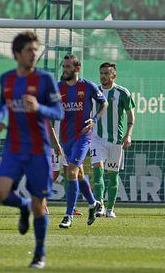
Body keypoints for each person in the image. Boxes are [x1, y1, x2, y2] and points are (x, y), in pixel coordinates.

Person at [0, 31, 64, 269]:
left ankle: (39, 254)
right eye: (29, 51)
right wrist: (0, 119)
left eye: (36, 50)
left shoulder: (45, 80)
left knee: (39, 205)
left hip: (38, 150)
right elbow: (3, 104)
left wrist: (40, 108)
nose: (34, 54)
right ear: (17, 54)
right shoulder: (7, 79)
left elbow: (59, 113)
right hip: (13, 147)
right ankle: (22, 206)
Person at [58, 54, 108, 228]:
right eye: (63, 67)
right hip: (65, 138)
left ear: (77, 68)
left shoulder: (87, 86)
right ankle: (94, 203)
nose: (65, 70)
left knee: (70, 172)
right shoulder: (58, 88)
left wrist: (94, 119)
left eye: (68, 67)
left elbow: (104, 103)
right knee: (77, 174)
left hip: (83, 136)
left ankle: (68, 215)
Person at [91, 62, 135, 218]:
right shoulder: (94, 91)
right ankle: (99, 205)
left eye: (106, 73)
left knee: (112, 175)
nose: (103, 76)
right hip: (97, 138)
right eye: (101, 73)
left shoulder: (122, 93)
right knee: (97, 172)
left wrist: (128, 134)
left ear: (113, 75)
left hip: (116, 140)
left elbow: (131, 116)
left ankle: (110, 208)